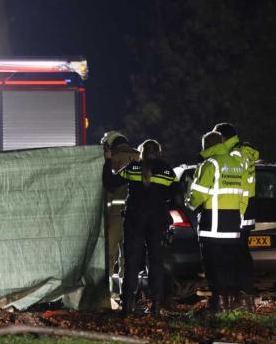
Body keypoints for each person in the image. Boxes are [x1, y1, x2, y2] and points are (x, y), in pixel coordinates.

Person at [103, 139, 178, 316]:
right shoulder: (167, 170)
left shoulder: (132, 168)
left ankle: (128, 303)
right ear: (159, 152)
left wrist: (107, 161)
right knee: (156, 263)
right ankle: (157, 304)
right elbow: (178, 198)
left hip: (134, 220)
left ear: (141, 152)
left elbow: (110, 183)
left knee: (132, 262)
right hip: (157, 222)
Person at [185, 131, 246, 314]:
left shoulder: (209, 164)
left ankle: (218, 303)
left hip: (213, 224)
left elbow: (198, 195)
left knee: (213, 265)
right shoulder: (237, 164)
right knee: (230, 263)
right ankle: (234, 300)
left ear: (206, 146)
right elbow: (243, 195)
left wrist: (189, 202)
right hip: (233, 224)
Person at [214, 122, 260, 310]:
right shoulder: (243, 151)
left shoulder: (234, 154)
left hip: (238, 209)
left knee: (235, 256)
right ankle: (244, 298)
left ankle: (242, 298)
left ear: (223, 137)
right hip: (246, 208)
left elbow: (236, 182)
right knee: (240, 254)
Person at [100, 131, 140, 292]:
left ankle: (107, 293)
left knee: (109, 255)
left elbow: (108, 184)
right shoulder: (139, 155)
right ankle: (128, 293)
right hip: (135, 213)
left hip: (115, 213)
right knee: (128, 256)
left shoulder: (111, 158)